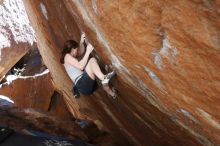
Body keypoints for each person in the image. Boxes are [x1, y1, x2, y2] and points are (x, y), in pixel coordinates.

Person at [60, 34, 117, 99]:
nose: (77, 51)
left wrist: (81, 41)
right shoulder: (67, 56)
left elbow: (81, 51)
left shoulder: (70, 57)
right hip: (82, 84)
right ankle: (103, 78)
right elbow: (81, 66)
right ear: (72, 49)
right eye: (76, 49)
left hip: (85, 86)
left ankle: (112, 94)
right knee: (92, 61)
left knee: (93, 69)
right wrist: (88, 51)